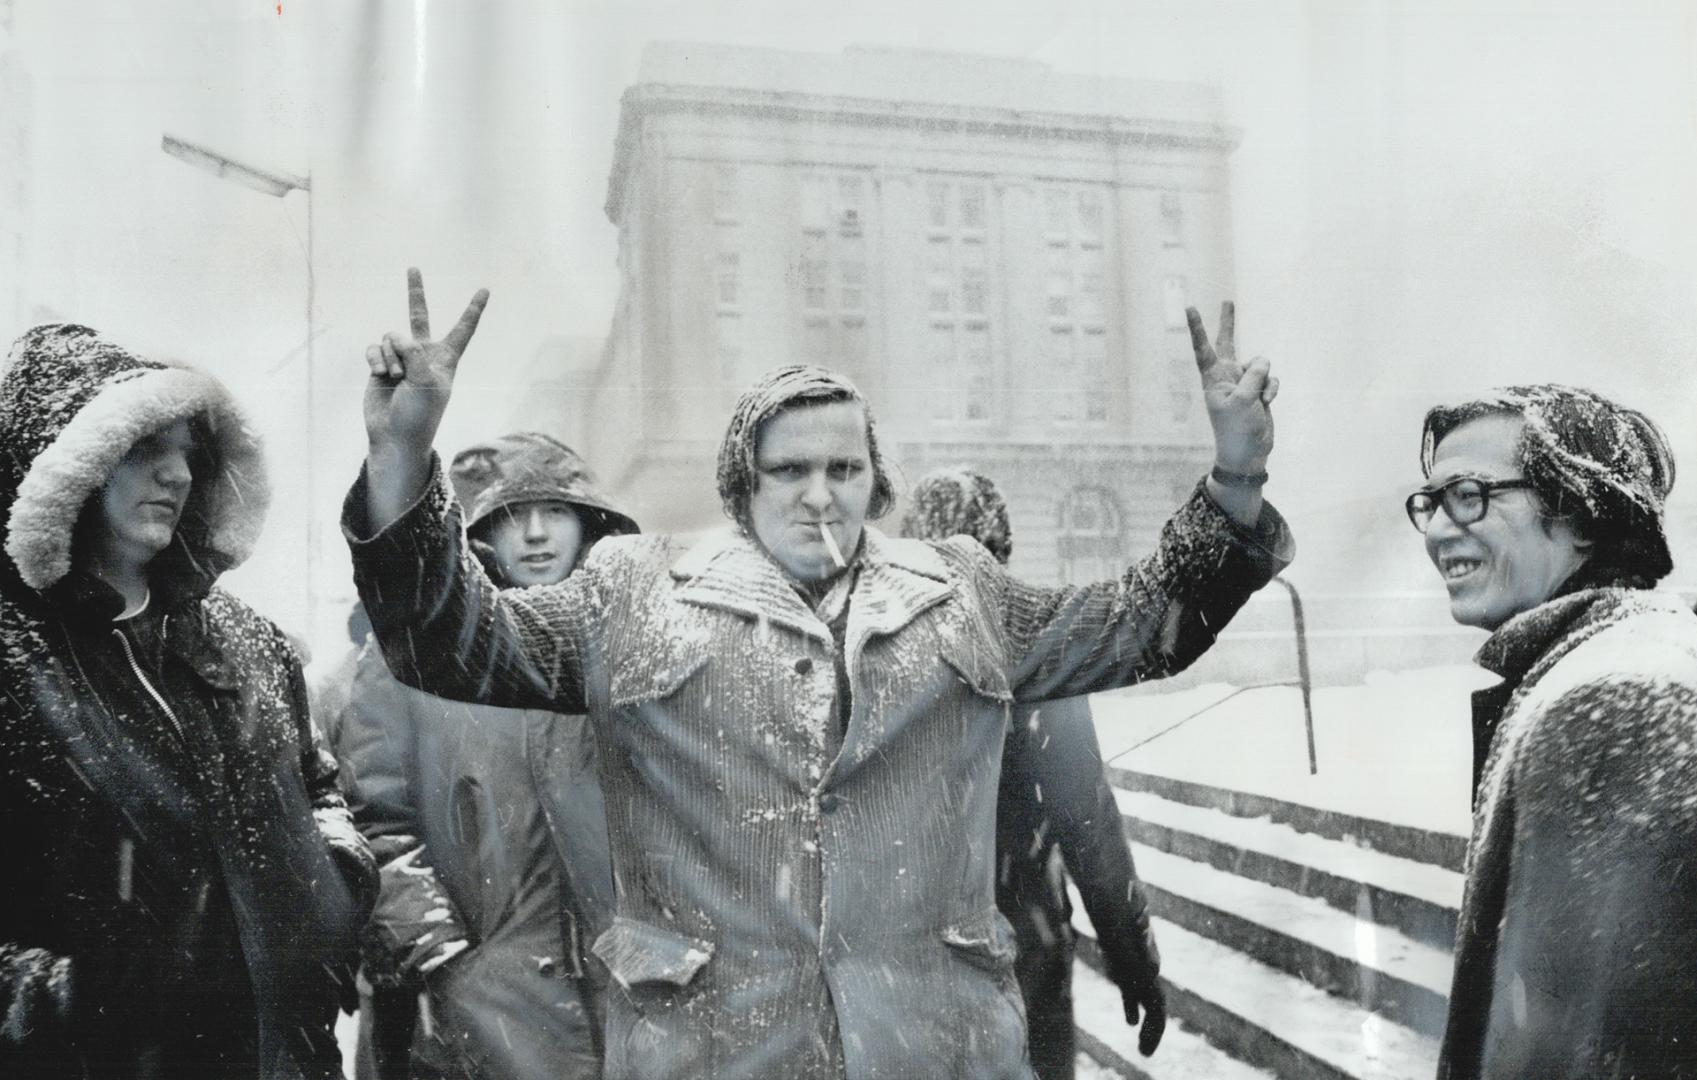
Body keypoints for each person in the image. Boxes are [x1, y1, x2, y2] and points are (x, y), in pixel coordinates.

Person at [343, 269, 1291, 1079]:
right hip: (716, 1049)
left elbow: (1140, 625)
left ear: (875, 483)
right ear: (740, 490)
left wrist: (1234, 482)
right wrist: (402, 456)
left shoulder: (962, 592)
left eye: (842, 467)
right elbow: (445, 639)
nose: (817, 493)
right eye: (787, 471)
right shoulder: (633, 593)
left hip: (932, 1045)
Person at [0, 323, 377, 1079]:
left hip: (281, 1056)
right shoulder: (14, 658)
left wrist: (332, 885)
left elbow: (320, 789)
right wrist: (68, 997)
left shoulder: (249, 639)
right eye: (146, 450)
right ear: (67, 467)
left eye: (188, 454)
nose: (176, 474)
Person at [1406, 385, 1697, 1078]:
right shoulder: (1609, 661)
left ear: (1583, 516)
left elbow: (1589, 1049)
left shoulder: (1617, 699)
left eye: (1470, 494)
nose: (1440, 529)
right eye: (1429, 503)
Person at [328, 432, 637, 1080]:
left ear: (588, 522)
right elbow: (370, 814)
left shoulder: (630, 638)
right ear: (475, 532)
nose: (534, 535)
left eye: (552, 512)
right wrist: (437, 957)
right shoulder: (406, 650)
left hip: (624, 993)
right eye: (508, 516)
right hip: (476, 1009)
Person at [900, 467, 1165, 1078]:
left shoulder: (877, 659)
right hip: (1022, 950)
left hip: (909, 961)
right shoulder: (1035, 651)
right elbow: (1086, 819)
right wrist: (1134, 959)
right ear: (1002, 556)